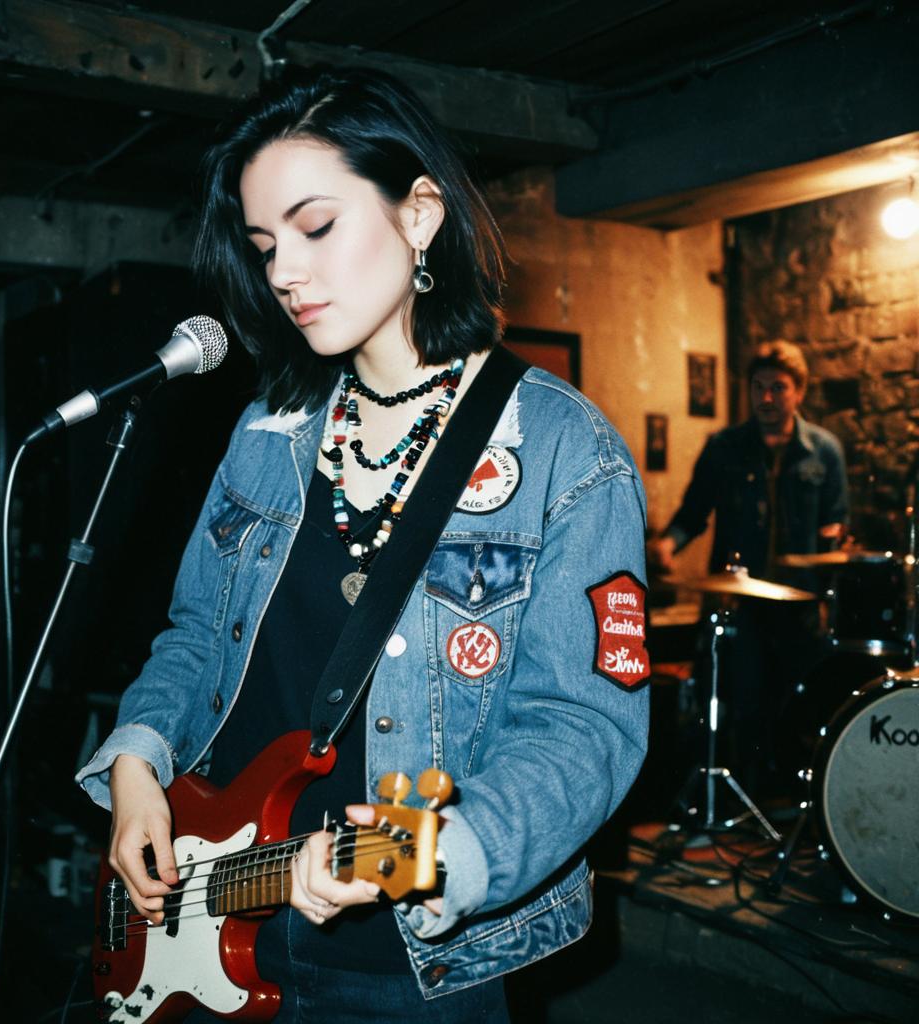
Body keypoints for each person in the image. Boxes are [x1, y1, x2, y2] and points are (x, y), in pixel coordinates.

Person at [76, 67, 650, 1022]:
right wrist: (139, 760)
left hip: (410, 965)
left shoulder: (564, 450)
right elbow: (192, 632)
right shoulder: (270, 430)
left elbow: (584, 728)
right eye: (264, 246)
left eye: (315, 227)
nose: (283, 272)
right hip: (210, 916)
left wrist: (436, 857)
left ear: (419, 214)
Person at [648, 340, 848, 791]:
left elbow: (836, 525)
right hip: (740, 602)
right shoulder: (724, 447)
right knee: (743, 705)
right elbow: (692, 516)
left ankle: (789, 801)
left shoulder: (825, 451)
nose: (766, 398)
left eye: (778, 388)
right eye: (758, 387)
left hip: (799, 605)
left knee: (797, 708)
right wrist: (666, 546)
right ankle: (741, 801)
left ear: (799, 391)